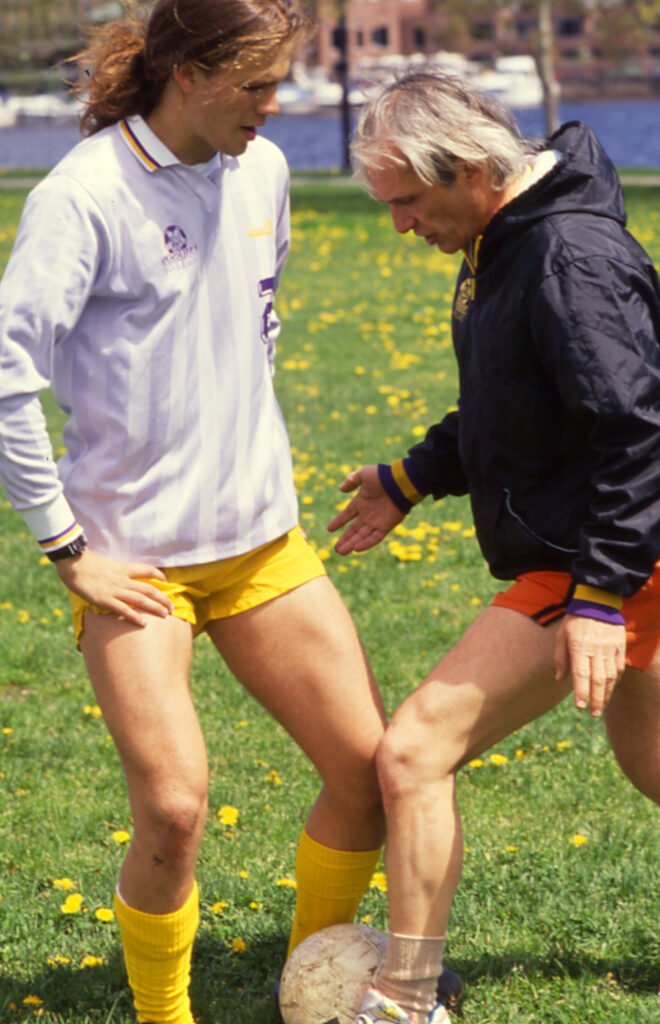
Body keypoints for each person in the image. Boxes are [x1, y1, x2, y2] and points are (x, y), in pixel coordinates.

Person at [0, 3, 390, 1022]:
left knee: (371, 772)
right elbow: (6, 379)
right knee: (173, 808)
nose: (277, 105)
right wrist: (67, 547)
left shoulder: (262, 171)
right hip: (135, 564)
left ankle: (313, 984)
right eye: (258, 85)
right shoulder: (83, 195)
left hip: (262, 543)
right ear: (189, 74)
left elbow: (252, 323)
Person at [326, 70, 660, 1024]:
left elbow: (636, 432)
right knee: (654, 760)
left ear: (472, 170)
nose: (400, 225)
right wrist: (412, 476)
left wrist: (599, 596)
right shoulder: (503, 239)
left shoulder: (564, 258)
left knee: (413, 752)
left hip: (600, 550)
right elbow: (516, 403)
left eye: (407, 201)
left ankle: (404, 999)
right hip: (612, 543)